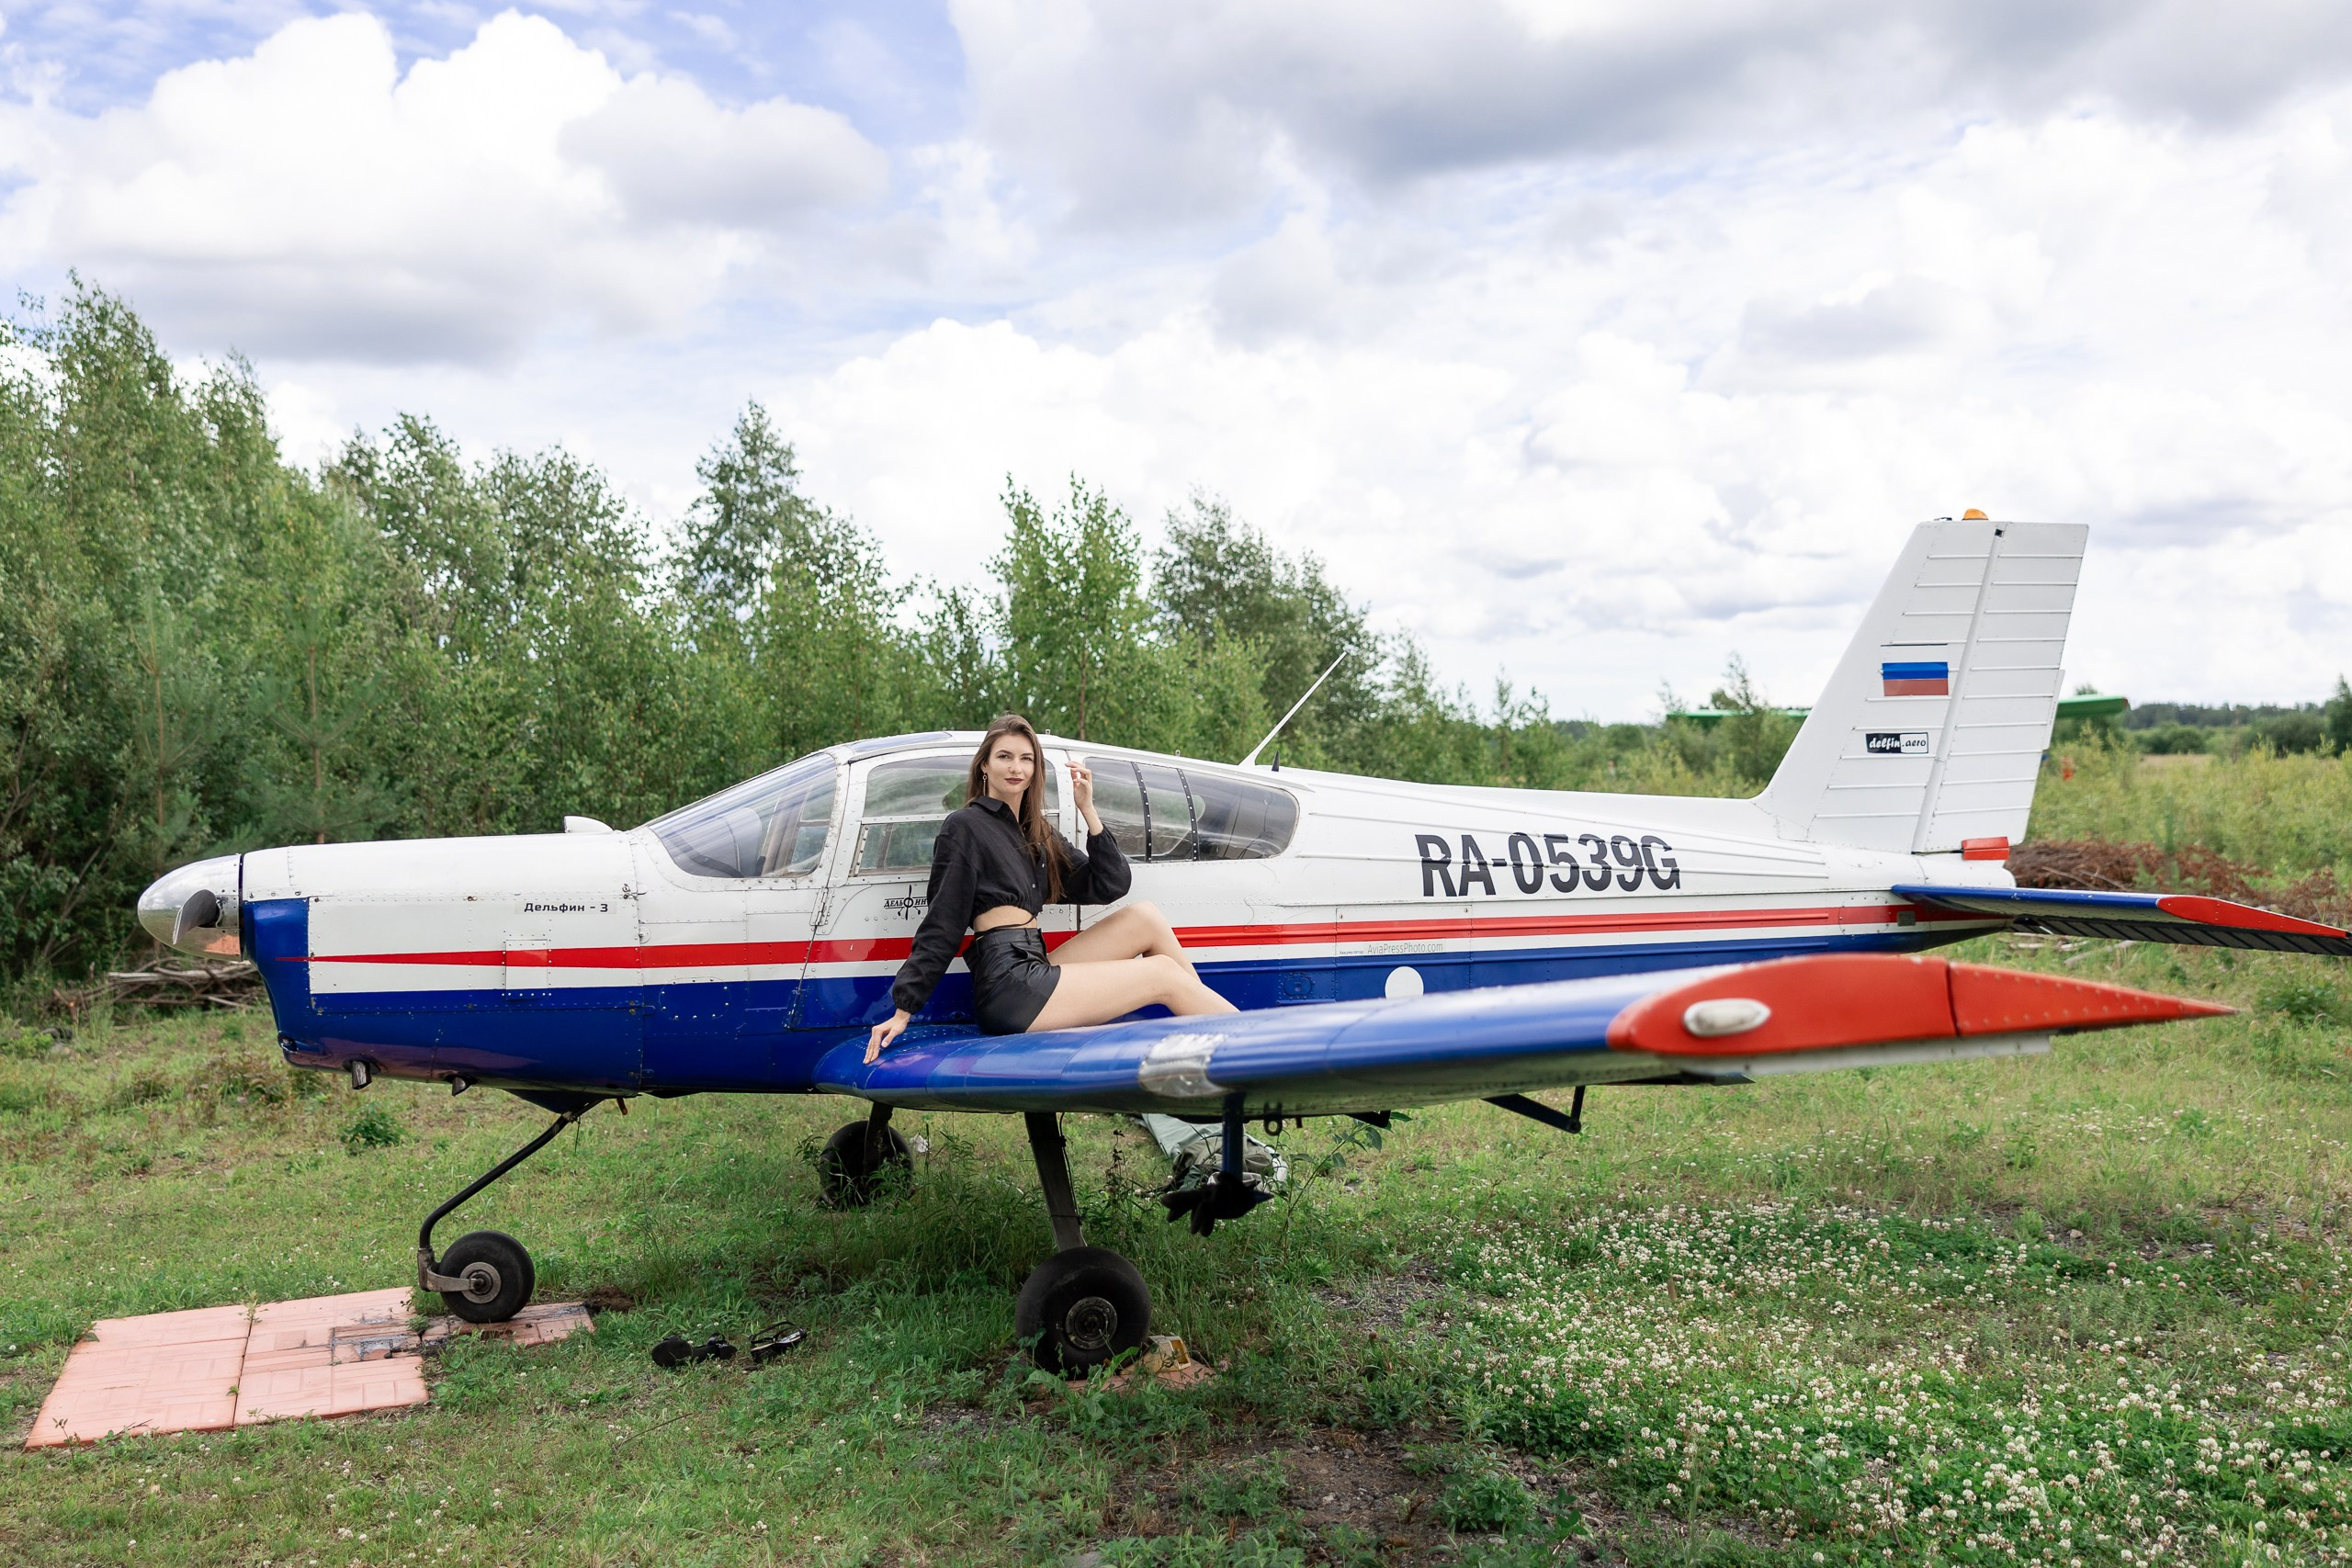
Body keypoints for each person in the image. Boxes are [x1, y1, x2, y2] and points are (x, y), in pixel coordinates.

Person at [865, 714, 1237, 1062]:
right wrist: (904, 1010)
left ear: (1035, 769)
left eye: (1026, 759)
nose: (1016, 768)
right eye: (1005, 757)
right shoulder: (964, 827)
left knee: (1145, 917)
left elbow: (1110, 884)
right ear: (984, 765)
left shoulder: (1037, 833)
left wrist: (1089, 811)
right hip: (1008, 984)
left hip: (1034, 965)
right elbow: (942, 922)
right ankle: (1246, 1043)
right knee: (1161, 974)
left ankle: (1212, 1032)